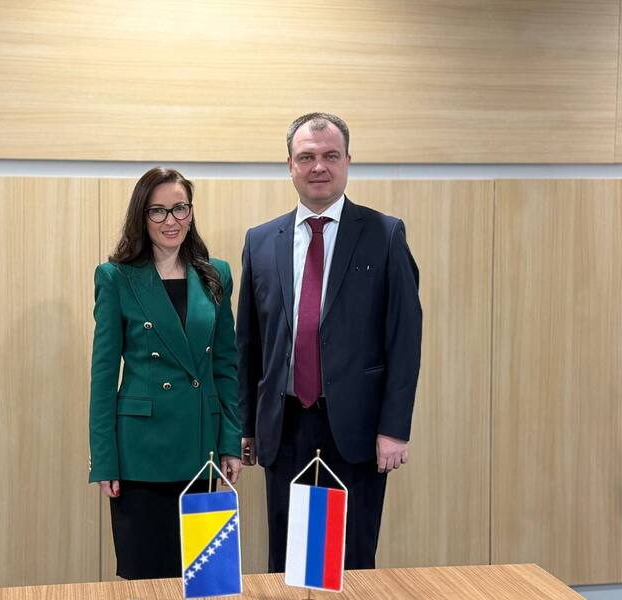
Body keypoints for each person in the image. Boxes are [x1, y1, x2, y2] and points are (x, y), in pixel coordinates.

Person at [236, 112, 422, 572]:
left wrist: (394, 428)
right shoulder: (261, 241)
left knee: (350, 562)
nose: (318, 166)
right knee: (288, 561)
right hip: (283, 427)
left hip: (357, 431)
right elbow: (248, 344)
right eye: (306, 157)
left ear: (347, 161)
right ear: (290, 165)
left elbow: (404, 339)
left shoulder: (384, 234)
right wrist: (245, 426)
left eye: (330, 156)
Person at [89, 167, 242, 579]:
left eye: (179, 208)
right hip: (141, 455)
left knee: (206, 577)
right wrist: (104, 461)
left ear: (191, 212)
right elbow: (103, 377)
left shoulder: (216, 275)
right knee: (145, 579)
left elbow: (226, 367)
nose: (170, 220)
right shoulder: (116, 277)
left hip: (202, 447)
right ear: (141, 216)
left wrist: (231, 442)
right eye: (157, 211)